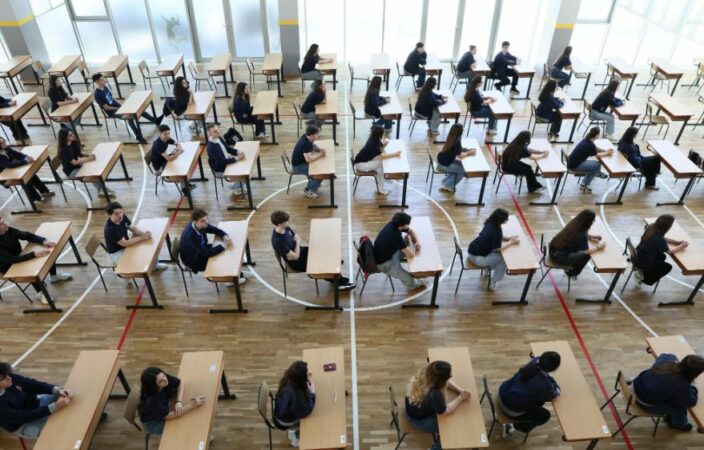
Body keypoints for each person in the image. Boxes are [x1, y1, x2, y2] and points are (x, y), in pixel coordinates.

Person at [270, 210, 355, 290]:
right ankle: (339, 283)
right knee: (320, 265)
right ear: (279, 224)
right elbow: (295, 257)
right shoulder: (278, 241)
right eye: (286, 221)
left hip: (300, 251)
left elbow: (297, 238)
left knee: (322, 251)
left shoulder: (286, 228)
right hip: (296, 263)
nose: (288, 222)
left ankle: (336, 274)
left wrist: (297, 243)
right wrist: (298, 243)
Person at [0, 216, 72, 304]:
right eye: (1, 224)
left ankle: (54, 276)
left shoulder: (7, 230)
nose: (5, 224)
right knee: (32, 272)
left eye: (3, 221)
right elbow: (10, 259)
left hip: (19, 257)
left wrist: (43, 241)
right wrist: (34, 254)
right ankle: (40, 293)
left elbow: (26, 235)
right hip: (8, 267)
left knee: (46, 253)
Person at [405, 360, 470, 449]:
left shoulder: (425, 372)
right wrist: (460, 398)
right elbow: (446, 411)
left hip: (413, 407)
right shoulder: (435, 394)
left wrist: (459, 390)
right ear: (441, 381)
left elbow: (445, 381)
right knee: (450, 431)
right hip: (418, 420)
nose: (451, 376)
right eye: (449, 376)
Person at [0, 361, 73, 439]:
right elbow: (24, 416)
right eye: (2, 379)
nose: (8, 378)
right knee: (60, 430)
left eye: (7, 374)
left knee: (68, 398)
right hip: (23, 424)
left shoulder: (10, 377)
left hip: (36, 403)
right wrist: (55, 406)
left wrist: (58, 390)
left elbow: (33, 384)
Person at [632, 353, 704, 431]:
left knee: (673, 398)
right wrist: (693, 386)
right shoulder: (681, 385)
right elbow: (691, 402)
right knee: (681, 410)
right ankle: (678, 425)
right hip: (644, 401)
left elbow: (664, 355)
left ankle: (670, 416)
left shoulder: (668, 360)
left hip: (636, 386)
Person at [498, 351, 561, 436]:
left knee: (539, 399)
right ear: (554, 369)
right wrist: (554, 383)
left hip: (502, 394)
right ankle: (512, 427)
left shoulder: (534, 361)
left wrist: (549, 379)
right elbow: (554, 394)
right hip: (511, 409)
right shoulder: (545, 385)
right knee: (545, 416)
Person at [179, 208, 247, 285]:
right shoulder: (191, 236)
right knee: (220, 257)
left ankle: (233, 275)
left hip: (200, 250)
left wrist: (224, 235)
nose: (206, 222)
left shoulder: (200, 225)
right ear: (195, 221)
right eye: (203, 221)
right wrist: (223, 245)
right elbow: (207, 253)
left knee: (222, 252)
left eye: (206, 219)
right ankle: (230, 280)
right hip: (193, 260)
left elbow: (214, 230)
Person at [92, 72, 163, 144]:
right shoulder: (97, 94)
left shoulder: (105, 88)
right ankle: (138, 136)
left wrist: (122, 106)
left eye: (104, 78)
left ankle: (155, 120)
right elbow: (107, 108)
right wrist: (120, 109)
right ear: (97, 81)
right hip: (112, 112)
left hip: (118, 107)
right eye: (102, 79)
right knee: (129, 117)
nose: (104, 80)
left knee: (138, 109)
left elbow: (111, 99)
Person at [138, 366, 206, 436]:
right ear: (153, 386)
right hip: (154, 423)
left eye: (164, 375)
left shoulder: (161, 378)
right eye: (160, 381)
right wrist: (192, 405)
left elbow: (180, 383)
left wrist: (179, 402)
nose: (165, 380)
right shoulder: (152, 401)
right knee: (184, 426)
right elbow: (169, 416)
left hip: (165, 408)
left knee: (187, 418)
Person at [103, 201, 167, 270]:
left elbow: (132, 227)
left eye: (121, 212)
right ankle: (132, 274)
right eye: (116, 214)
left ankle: (154, 266)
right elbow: (125, 243)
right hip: (117, 253)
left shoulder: (122, 217)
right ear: (110, 215)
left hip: (125, 246)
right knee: (137, 260)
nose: (120, 215)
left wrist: (144, 234)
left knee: (149, 248)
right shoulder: (110, 229)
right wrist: (142, 237)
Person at [467, 208, 519, 291]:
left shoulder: (490, 222)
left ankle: (487, 269)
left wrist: (509, 238)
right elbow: (498, 249)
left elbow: (494, 238)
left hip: (472, 251)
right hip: (477, 258)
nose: (507, 220)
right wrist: (511, 242)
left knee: (499, 256)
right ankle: (493, 281)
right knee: (503, 260)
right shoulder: (497, 231)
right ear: (500, 220)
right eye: (506, 219)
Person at [373, 212, 426, 290]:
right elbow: (411, 255)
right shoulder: (395, 236)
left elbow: (410, 231)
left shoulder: (393, 224)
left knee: (405, 246)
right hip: (383, 263)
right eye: (407, 224)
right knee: (406, 276)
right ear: (403, 225)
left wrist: (416, 242)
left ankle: (414, 276)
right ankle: (413, 285)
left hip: (388, 252)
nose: (408, 226)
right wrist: (409, 242)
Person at [549, 209, 606, 278]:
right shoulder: (581, 235)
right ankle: (572, 273)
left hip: (552, 251)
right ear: (588, 223)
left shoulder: (573, 224)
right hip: (558, 259)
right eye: (593, 220)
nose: (593, 222)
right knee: (587, 255)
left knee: (576, 248)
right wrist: (599, 247)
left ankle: (572, 271)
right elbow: (585, 251)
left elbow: (582, 233)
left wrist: (592, 237)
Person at [635, 214, 688, 286]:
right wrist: (682, 246)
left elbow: (663, 238)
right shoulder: (659, 239)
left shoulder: (651, 227)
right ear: (667, 227)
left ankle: (645, 272)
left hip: (638, 255)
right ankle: (645, 279)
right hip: (643, 262)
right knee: (668, 267)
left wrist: (677, 242)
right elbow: (669, 252)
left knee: (662, 256)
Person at [273, 361, 316, 448]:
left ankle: (293, 433)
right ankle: (296, 439)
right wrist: (312, 393)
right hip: (285, 421)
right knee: (311, 422)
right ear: (301, 378)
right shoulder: (295, 395)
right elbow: (305, 412)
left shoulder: (289, 379)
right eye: (307, 373)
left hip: (281, 412)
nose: (310, 373)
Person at [0, 137, 54, 204]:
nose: (4, 142)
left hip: (12, 171)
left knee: (31, 174)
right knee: (25, 180)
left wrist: (26, 157)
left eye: (3, 141)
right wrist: (25, 161)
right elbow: (10, 165)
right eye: (2, 142)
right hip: (4, 178)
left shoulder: (6, 148)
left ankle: (44, 191)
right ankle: (36, 199)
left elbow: (18, 154)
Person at [352, 125, 400, 196]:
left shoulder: (374, 139)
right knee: (381, 163)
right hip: (361, 165)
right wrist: (394, 154)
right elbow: (381, 156)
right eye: (383, 132)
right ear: (379, 134)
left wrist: (386, 143)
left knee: (380, 169)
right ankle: (385, 180)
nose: (384, 133)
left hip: (364, 161)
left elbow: (380, 148)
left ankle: (381, 188)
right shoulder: (372, 143)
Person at [57, 128, 105, 194]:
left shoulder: (73, 142)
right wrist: (88, 159)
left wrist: (89, 155)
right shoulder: (63, 150)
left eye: (72, 134)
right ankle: (102, 190)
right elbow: (74, 163)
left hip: (78, 166)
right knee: (91, 173)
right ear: (64, 137)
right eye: (70, 135)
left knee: (93, 167)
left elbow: (80, 154)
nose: (73, 135)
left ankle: (102, 189)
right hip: (71, 171)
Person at [150, 125, 194, 193]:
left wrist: (177, 148)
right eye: (165, 134)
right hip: (159, 167)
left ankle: (185, 184)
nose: (167, 135)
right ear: (160, 134)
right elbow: (169, 159)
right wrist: (178, 152)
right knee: (179, 169)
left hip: (164, 160)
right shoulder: (157, 145)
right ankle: (184, 187)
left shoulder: (167, 138)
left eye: (168, 133)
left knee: (181, 164)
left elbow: (177, 143)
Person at [567, 127, 611, 192]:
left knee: (597, 165)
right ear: (597, 135)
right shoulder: (590, 145)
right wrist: (607, 153)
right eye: (599, 134)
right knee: (596, 165)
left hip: (572, 162)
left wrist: (605, 150)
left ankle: (596, 173)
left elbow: (595, 148)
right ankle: (584, 184)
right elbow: (597, 155)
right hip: (575, 165)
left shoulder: (586, 139)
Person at [205, 124, 246, 192]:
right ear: (209, 134)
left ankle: (240, 184)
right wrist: (237, 158)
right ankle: (238, 187)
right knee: (241, 169)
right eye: (215, 131)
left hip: (227, 160)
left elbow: (227, 148)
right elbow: (223, 162)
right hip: (221, 169)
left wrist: (238, 152)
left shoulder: (218, 138)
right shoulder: (211, 148)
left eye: (218, 130)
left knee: (244, 164)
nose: (218, 132)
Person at [436, 123, 475, 192]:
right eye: (463, 129)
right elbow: (460, 155)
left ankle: (445, 181)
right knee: (463, 171)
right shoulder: (456, 141)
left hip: (442, 161)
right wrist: (469, 153)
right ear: (459, 132)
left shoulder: (452, 137)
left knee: (462, 166)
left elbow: (458, 149)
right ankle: (448, 185)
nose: (463, 130)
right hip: (443, 165)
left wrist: (467, 150)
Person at [291, 125, 326, 200]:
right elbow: (309, 159)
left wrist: (319, 149)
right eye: (317, 134)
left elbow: (313, 145)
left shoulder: (306, 137)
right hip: (298, 167)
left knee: (319, 170)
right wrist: (320, 154)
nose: (318, 135)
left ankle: (314, 183)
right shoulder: (305, 144)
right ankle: (309, 190)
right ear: (312, 135)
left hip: (301, 163)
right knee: (321, 173)